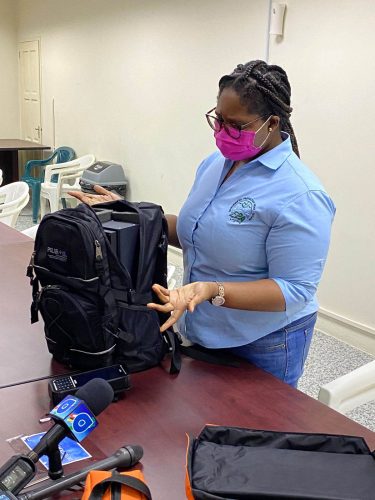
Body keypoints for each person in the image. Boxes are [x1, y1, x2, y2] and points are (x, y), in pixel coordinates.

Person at [70, 60, 335, 388]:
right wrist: (125, 211)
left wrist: (212, 290)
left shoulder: (301, 193)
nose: (222, 133)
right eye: (218, 120)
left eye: (235, 125)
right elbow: (195, 232)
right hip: (202, 328)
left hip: (262, 342)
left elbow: (294, 289)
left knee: (256, 431)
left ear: (272, 123)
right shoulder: (216, 164)